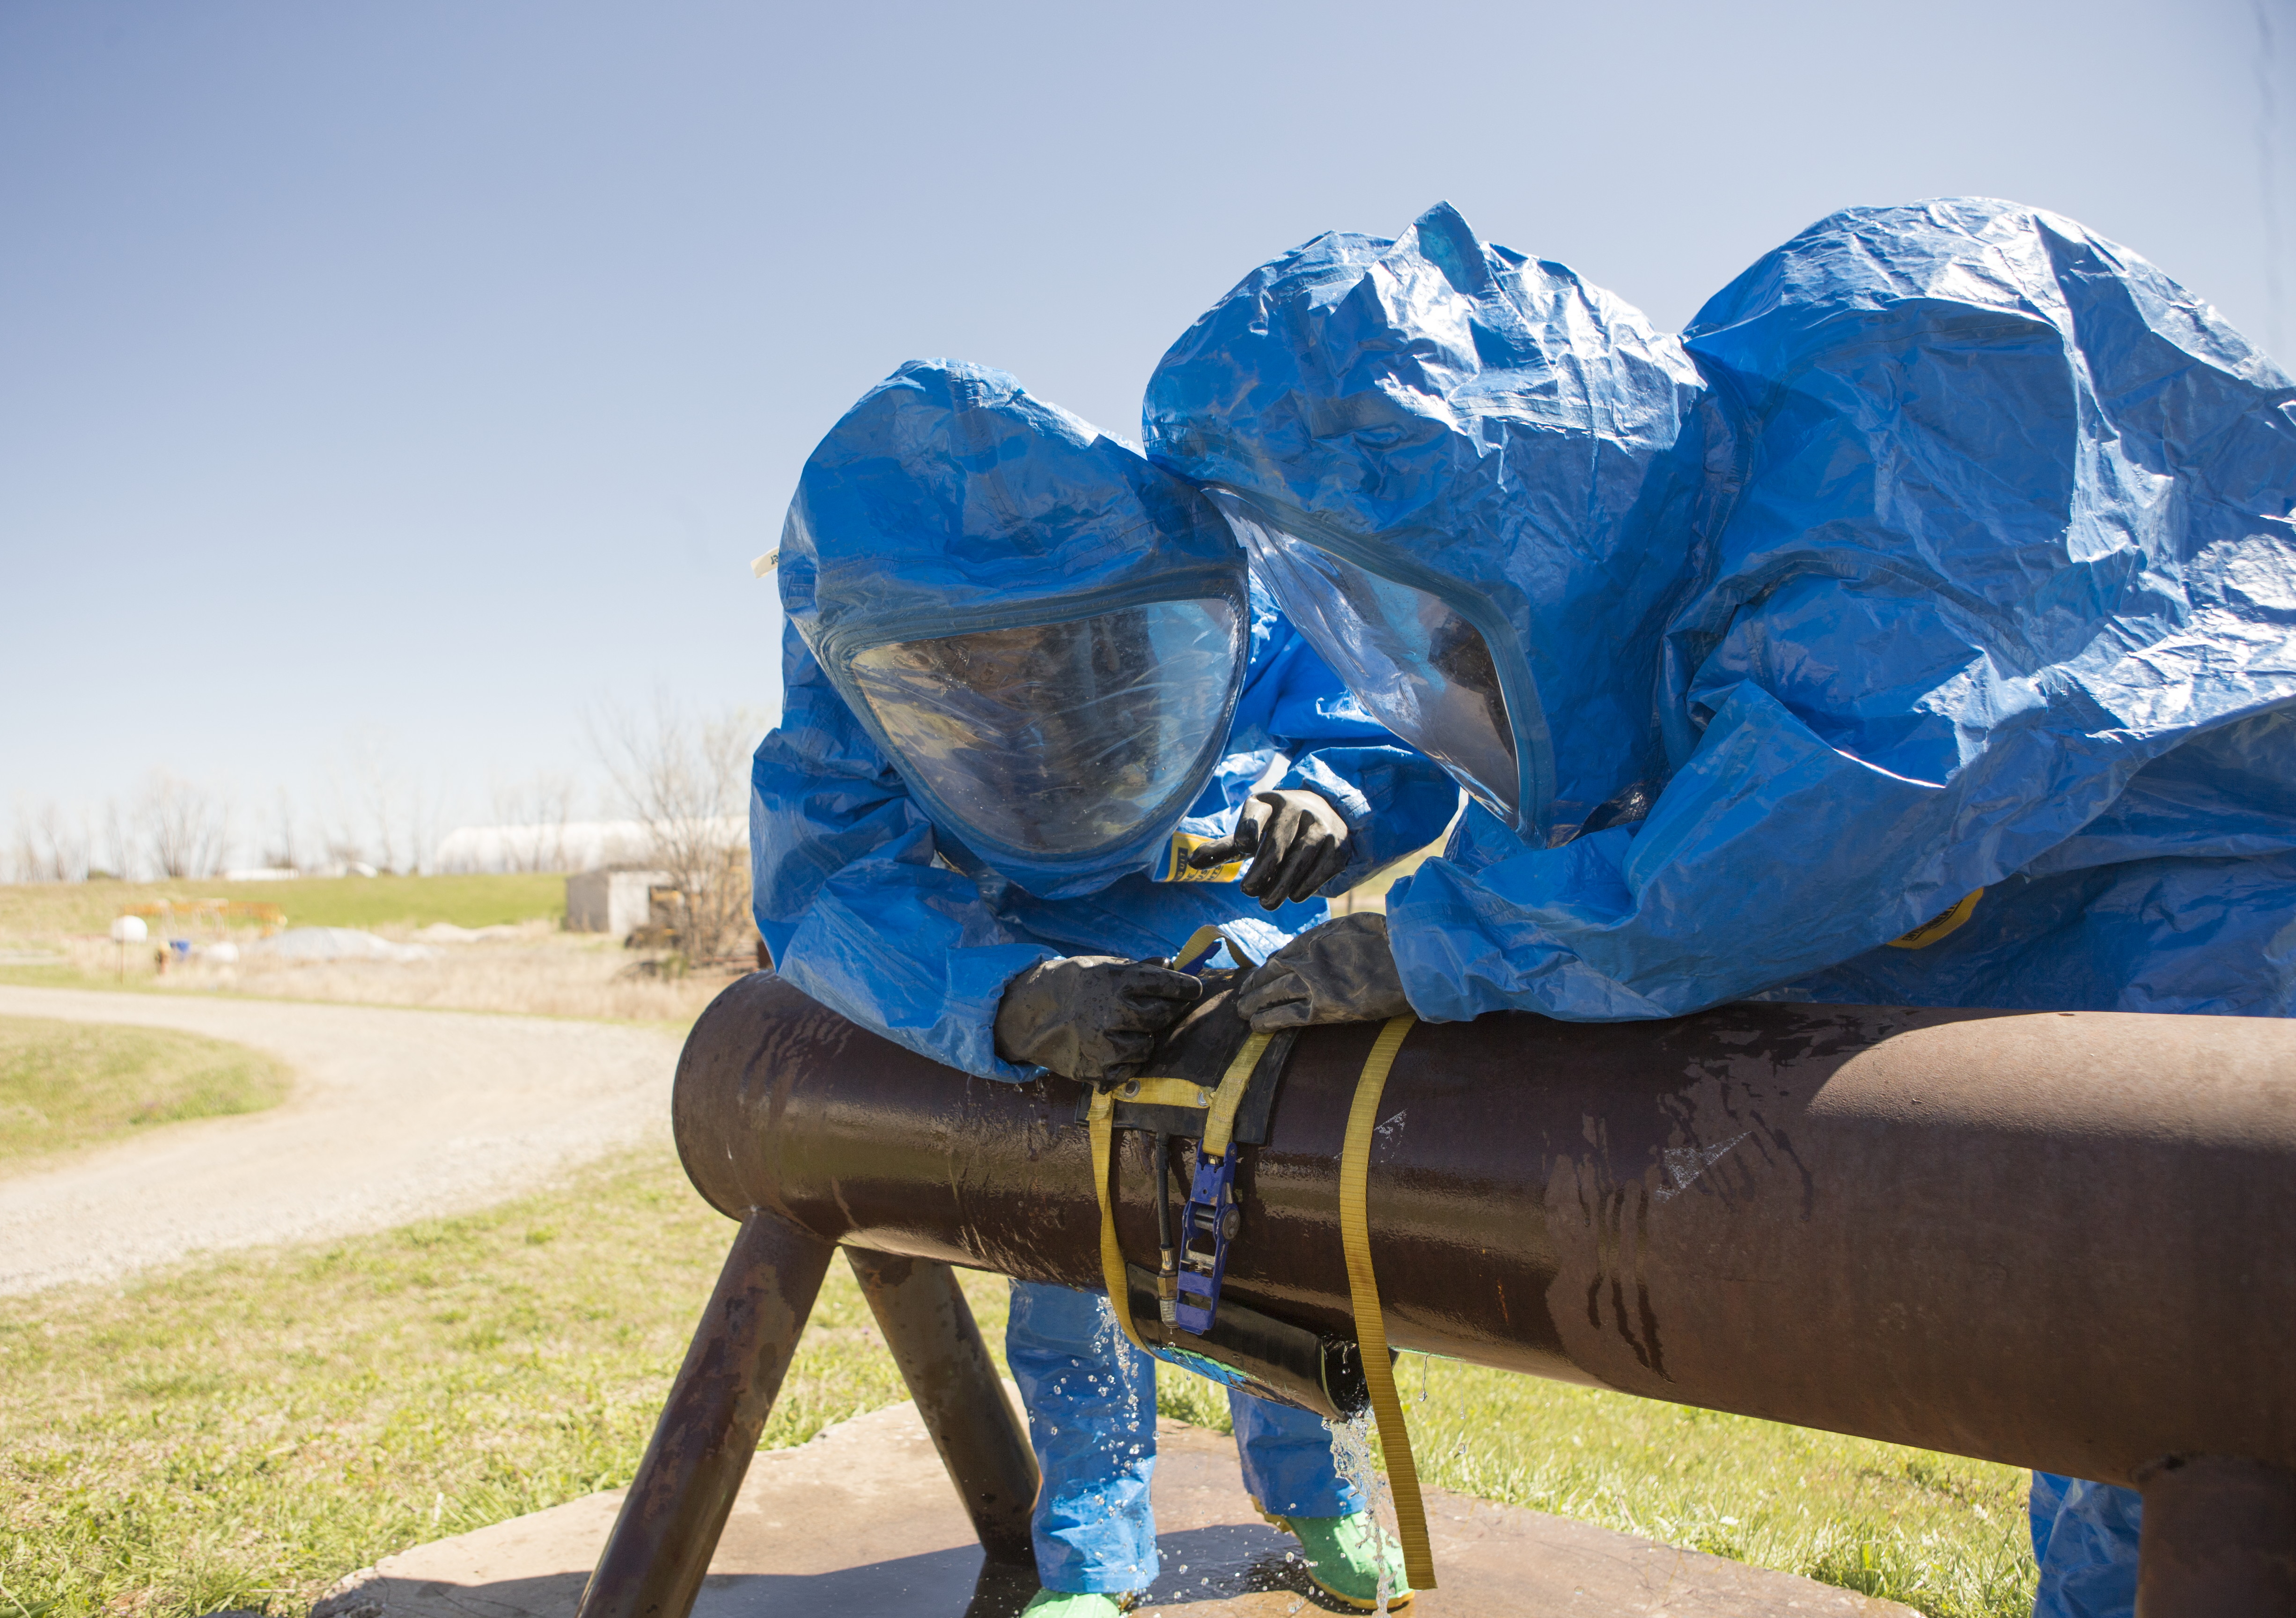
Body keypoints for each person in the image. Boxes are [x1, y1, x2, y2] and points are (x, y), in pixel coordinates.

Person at [1140, 199, 2296, 1618]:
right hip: (2118, 936)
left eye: (1445, 626)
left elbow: (1792, 836)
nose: (1446, 678)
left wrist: (1436, 941)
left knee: (2209, 1381)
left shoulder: (1877, 411)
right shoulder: (1683, 578)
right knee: (2135, 1416)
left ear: (1517, 526)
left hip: (2239, 915)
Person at [751, 359, 1460, 1616]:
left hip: (1244, 952)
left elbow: (1372, 702)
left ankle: (1320, 1492)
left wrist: (1332, 797)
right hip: (1057, 990)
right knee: (1078, 1271)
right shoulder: (862, 641)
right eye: (987, 661)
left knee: (1287, 1234)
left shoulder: (1182, 555)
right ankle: (1092, 1554)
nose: (1024, 677)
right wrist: (1007, 996)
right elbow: (829, 871)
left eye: (1056, 645)